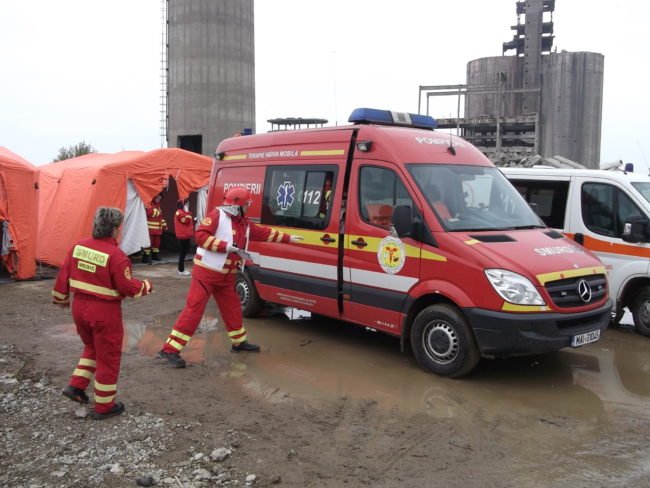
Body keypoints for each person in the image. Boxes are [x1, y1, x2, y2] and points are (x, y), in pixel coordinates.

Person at [158, 186, 303, 368]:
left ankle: (239, 343)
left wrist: (289, 238)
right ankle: (170, 350)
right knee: (194, 310)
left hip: (226, 276)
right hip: (207, 273)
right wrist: (224, 246)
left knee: (233, 309)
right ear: (237, 205)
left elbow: (263, 233)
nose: (249, 207)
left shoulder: (243, 223)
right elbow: (200, 236)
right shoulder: (217, 215)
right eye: (247, 204)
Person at [52, 207, 154, 420]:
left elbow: (64, 275)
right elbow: (127, 287)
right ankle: (104, 406)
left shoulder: (78, 246)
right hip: (104, 312)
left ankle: (76, 386)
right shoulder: (117, 256)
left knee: (92, 347)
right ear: (115, 229)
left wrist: (61, 298)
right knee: (108, 357)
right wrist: (146, 286)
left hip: (79, 308)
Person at [143, 193, 167, 264]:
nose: (158, 199)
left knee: (156, 244)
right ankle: (146, 258)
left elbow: (161, 218)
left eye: (160, 198)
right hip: (150, 229)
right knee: (148, 244)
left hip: (158, 230)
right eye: (157, 198)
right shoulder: (150, 204)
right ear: (154, 197)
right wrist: (158, 212)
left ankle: (155, 256)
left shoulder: (158, 206)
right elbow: (149, 213)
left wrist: (165, 226)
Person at [175, 198, 194, 276]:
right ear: (183, 205)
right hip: (183, 236)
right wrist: (187, 212)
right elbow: (186, 221)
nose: (188, 205)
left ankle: (181, 269)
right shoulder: (179, 212)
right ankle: (181, 270)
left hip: (186, 235)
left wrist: (194, 220)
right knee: (183, 253)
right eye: (187, 204)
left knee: (184, 252)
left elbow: (188, 222)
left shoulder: (183, 212)